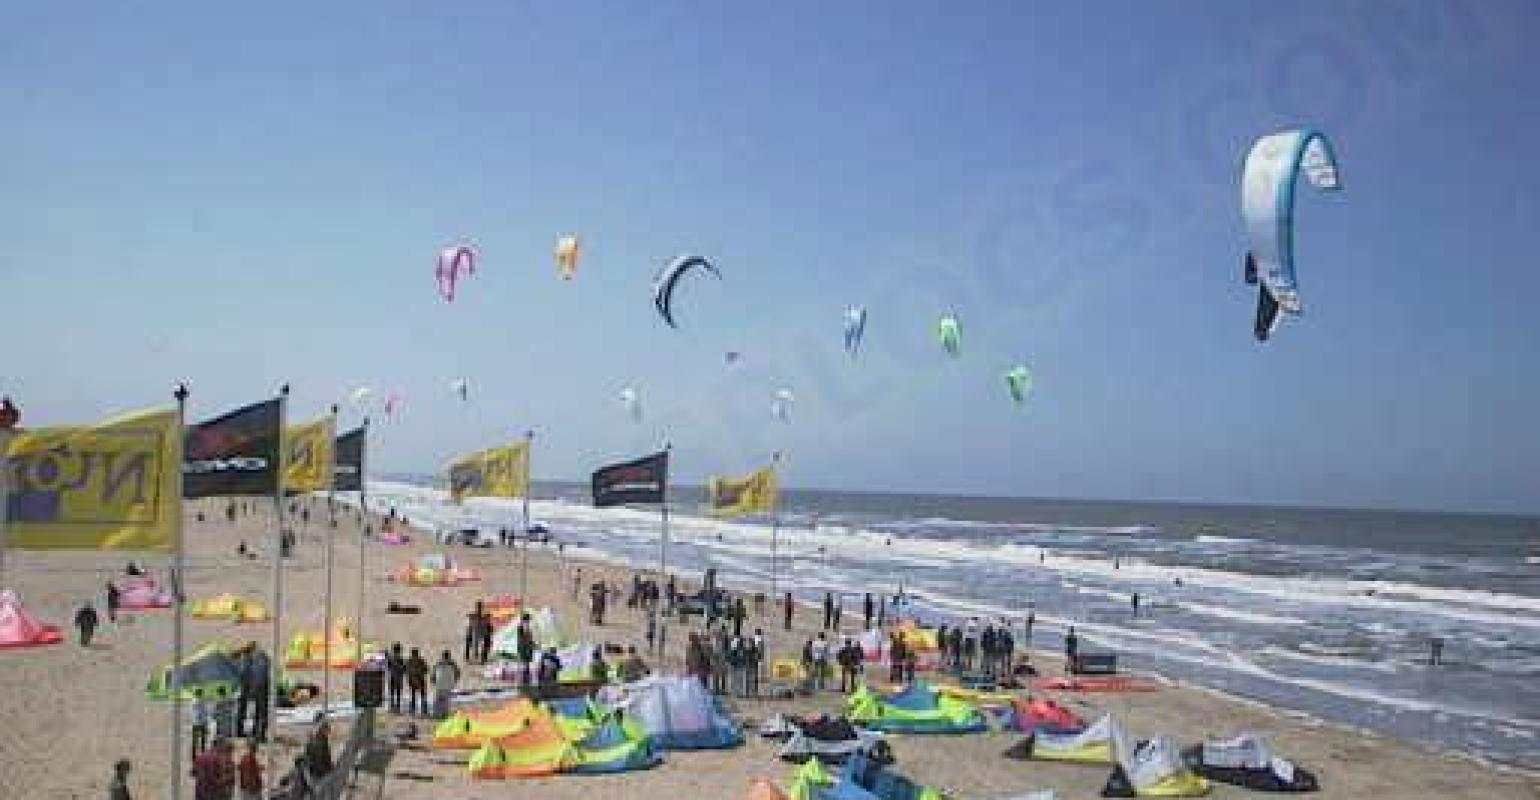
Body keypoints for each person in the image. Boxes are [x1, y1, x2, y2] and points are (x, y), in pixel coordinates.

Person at [431, 651, 460, 719]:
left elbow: (433, 674)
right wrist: (454, 681)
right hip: (446, 685)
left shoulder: (439, 663)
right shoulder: (452, 664)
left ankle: (437, 713)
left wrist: (433, 681)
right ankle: (443, 714)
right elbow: (458, 673)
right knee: (445, 701)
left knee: (439, 700)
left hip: (440, 685)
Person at [405, 648, 429, 716]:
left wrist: (410, 678)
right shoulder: (421, 661)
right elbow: (426, 670)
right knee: (422, 695)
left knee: (414, 695)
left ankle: (414, 710)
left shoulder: (409, 661)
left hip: (414, 680)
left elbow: (407, 671)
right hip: (420, 680)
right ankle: (424, 710)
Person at [188, 688, 210, 760]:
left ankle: (193, 755)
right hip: (202, 722)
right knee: (203, 740)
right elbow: (206, 712)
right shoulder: (203, 702)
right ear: (201, 694)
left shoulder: (193, 701)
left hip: (195, 723)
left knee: (195, 740)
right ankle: (202, 754)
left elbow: (191, 712)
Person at [385, 643, 407, 713]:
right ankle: (397, 707)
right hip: (398, 678)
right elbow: (404, 669)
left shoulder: (392, 659)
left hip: (393, 677)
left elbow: (388, 667)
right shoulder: (401, 659)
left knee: (393, 693)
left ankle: (393, 707)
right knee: (397, 693)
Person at [515, 613, 536, 685]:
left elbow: (528, 637)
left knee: (526, 662)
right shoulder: (521, 627)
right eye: (528, 619)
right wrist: (529, 643)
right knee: (524, 661)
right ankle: (524, 677)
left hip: (527, 646)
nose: (529, 621)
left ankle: (526, 676)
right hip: (524, 647)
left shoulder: (526, 627)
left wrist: (532, 643)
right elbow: (522, 638)